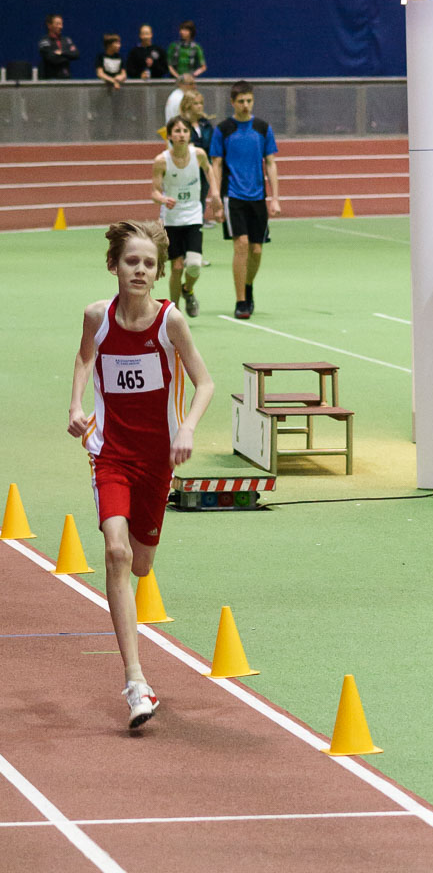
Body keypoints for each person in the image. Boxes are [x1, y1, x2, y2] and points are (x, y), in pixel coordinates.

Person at [67, 220, 214, 728]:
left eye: (149, 263)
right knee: (115, 551)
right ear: (114, 266)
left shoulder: (170, 322)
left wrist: (187, 428)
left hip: (157, 461)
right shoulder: (96, 317)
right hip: (109, 452)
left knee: (142, 564)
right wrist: (76, 405)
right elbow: (86, 357)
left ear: (158, 272)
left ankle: (137, 676)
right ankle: (135, 680)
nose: (140, 270)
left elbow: (206, 382)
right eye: (132, 261)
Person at [210, 81, 281, 319]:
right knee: (240, 244)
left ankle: (248, 287)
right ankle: (241, 300)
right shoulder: (223, 129)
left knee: (257, 250)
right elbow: (216, 165)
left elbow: (270, 163)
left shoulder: (262, 128)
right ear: (233, 102)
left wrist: (275, 198)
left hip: (258, 197)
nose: (245, 105)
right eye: (241, 101)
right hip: (234, 196)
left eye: (249, 100)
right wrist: (216, 197)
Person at [152, 115, 222, 316]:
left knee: (193, 266)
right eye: (177, 131)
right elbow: (154, 192)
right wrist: (163, 199)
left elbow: (209, 171)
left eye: (185, 131)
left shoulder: (198, 154)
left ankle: (188, 289)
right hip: (172, 219)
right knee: (176, 267)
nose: (181, 135)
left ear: (189, 134)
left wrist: (215, 193)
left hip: (193, 216)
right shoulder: (161, 161)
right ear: (170, 135)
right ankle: (174, 312)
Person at [180, 90, 214, 217]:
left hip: (204, 165)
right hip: (186, 167)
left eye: (201, 103)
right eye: (196, 103)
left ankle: (199, 219)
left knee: (202, 194)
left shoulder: (205, 123)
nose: (200, 106)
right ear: (188, 105)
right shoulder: (181, 124)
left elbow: (210, 141)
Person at [38, 14, 80, 79]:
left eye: (61, 24)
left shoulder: (67, 40)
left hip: (66, 77)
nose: (61, 27)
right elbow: (51, 58)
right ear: (49, 25)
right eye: (57, 24)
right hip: (50, 79)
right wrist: (67, 55)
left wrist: (61, 53)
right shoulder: (44, 41)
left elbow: (76, 54)